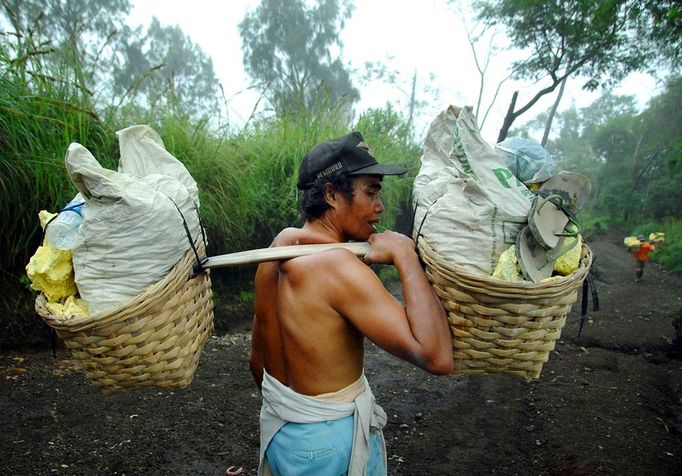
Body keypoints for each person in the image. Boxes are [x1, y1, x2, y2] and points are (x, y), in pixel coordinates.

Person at [249, 131, 454, 475]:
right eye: (371, 191)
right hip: (330, 450)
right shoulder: (337, 266)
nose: (380, 206)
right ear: (331, 194)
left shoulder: (277, 251)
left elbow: (257, 362)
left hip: (284, 435)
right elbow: (437, 356)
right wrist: (405, 256)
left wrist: (296, 417)